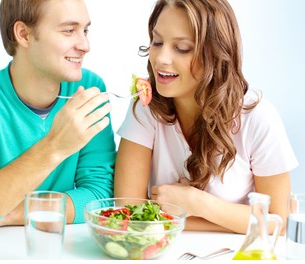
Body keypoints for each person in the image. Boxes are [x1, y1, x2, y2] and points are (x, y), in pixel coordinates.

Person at [114, 0, 298, 234]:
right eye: (157, 42)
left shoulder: (258, 118)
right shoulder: (145, 108)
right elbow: (128, 210)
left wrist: (199, 204)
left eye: (182, 48)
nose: (161, 58)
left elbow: (278, 221)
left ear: (216, 54)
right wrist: (235, 221)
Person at [0, 0, 116, 233]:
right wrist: (54, 147)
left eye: (85, 30)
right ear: (24, 34)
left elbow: (100, 197)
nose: (85, 45)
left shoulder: (89, 89)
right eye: (69, 31)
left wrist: (16, 213)